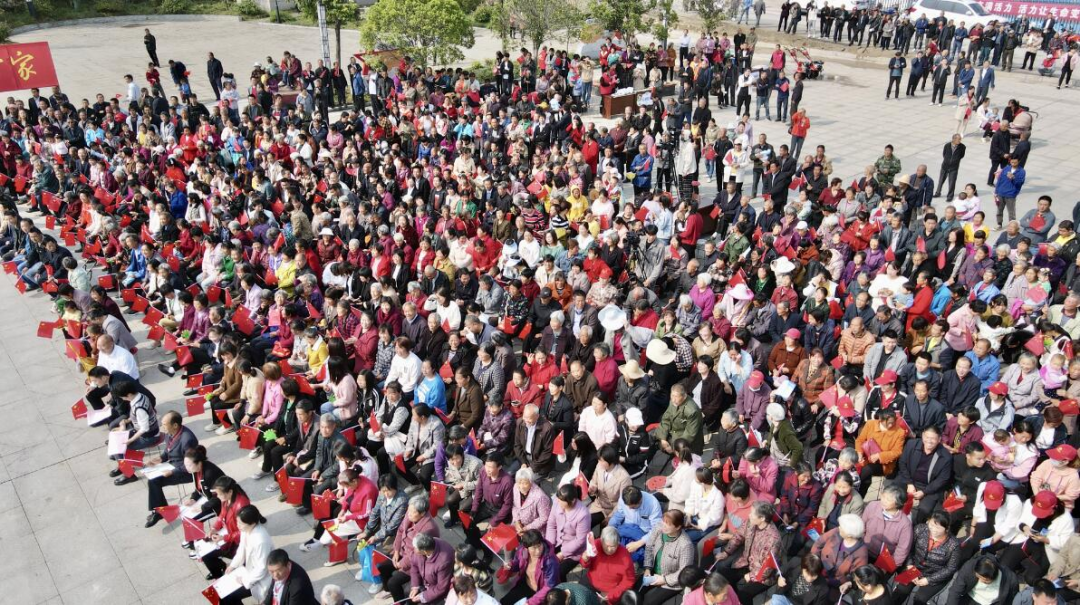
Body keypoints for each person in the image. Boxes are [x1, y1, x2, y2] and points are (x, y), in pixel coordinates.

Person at [891, 511, 960, 605]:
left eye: (938, 527)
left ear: (947, 529)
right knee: (901, 590)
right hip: (914, 567)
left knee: (920, 599)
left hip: (935, 574)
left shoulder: (954, 544)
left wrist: (929, 579)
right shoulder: (920, 529)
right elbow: (909, 548)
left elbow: (951, 568)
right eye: (931, 525)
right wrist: (910, 565)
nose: (933, 529)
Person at [143, 411, 198, 527]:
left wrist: (172, 472)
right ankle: (160, 511)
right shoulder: (170, 433)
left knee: (154, 481)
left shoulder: (187, 439)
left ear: (175, 425)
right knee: (153, 479)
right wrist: (159, 459)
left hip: (185, 472)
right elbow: (168, 451)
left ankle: (159, 512)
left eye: (164, 424)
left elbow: (192, 464)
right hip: (173, 465)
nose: (162, 426)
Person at [220, 505, 274, 605]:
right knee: (224, 595)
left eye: (240, 523)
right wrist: (232, 565)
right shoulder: (246, 530)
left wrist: (245, 580)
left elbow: (262, 569)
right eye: (237, 522)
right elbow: (241, 549)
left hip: (259, 579)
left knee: (227, 597)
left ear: (252, 523)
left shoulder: (261, 541)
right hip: (249, 571)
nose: (238, 525)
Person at [641, 510, 697, 605]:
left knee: (648, 602)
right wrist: (648, 568)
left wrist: (664, 580)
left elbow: (684, 572)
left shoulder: (685, 545)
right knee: (636, 593)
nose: (663, 525)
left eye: (668, 524)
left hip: (671, 582)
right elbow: (649, 547)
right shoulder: (659, 528)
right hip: (653, 572)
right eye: (663, 521)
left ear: (678, 527)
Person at [809, 513, 868, 597]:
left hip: (835, 584)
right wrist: (814, 562)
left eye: (841, 527)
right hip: (818, 569)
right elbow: (818, 543)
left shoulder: (861, 553)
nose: (839, 527)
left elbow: (855, 576)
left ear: (849, 535)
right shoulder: (836, 531)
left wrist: (839, 582)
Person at [496, 529, 560, 605]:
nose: (538, 551)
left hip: (540, 593)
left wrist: (530, 602)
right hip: (524, 584)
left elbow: (549, 586)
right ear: (526, 548)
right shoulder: (522, 550)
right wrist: (510, 565)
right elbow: (517, 564)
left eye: (539, 546)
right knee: (504, 602)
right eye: (534, 548)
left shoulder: (550, 562)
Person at [580, 526, 636, 605]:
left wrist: (613, 594)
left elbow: (629, 580)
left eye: (613, 546)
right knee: (579, 594)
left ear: (618, 543)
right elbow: (585, 565)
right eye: (606, 546)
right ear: (601, 541)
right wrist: (585, 559)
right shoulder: (595, 544)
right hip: (592, 581)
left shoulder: (625, 557)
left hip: (610, 590)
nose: (609, 550)